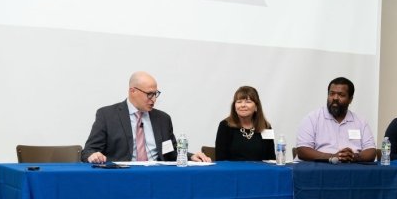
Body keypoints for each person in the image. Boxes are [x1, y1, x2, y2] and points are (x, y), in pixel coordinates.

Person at [82, 71, 210, 163]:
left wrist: (191, 156)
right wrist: (93, 155)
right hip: (122, 176)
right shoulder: (107, 115)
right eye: (149, 94)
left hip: (158, 177)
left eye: (155, 94)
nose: (153, 99)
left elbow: (171, 152)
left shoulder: (163, 119)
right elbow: (88, 151)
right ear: (133, 91)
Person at [296, 77, 376, 162]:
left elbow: (371, 151)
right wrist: (333, 157)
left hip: (351, 168)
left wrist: (354, 156)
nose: (335, 98)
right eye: (332, 94)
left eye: (341, 95)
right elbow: (302, 150)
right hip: (320, 169)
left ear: (350, 99)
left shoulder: (360, 122)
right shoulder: (312, 119)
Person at [214, 86, 276, 161]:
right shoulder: (225, 125)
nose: (243, 105)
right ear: (234, 106)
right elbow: (220, 159)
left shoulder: (266, 127)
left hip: (260, 172)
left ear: (256, 106)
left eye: (248, 102)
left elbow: (271, 159)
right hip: (233, 171)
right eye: (239, 102)